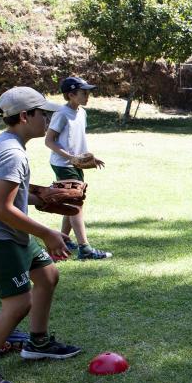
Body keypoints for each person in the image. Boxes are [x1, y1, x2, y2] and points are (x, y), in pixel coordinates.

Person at [0, 87, 81, 383]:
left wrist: (41, 196)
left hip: (8, 232)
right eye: (43, 114)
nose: (48, 119)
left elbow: (6, 195)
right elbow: (0, 208)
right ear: (25, 116)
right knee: (18, 303)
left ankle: (37, 343)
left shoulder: (8, 144)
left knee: (47, 275)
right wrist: (47, 233)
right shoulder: (12, 153)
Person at [45, 76, 111, 260]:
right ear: (71, 95)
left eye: (88, 93)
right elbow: (49, 141)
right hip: (63, 164)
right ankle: (85, 248)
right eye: (84, 93)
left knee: (73, 201)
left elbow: (76, 140)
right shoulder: (61, 114)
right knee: (76, 203)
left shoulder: (82, 113)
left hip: (75, 164)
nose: (88, 96)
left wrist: (89, 158)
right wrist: (71, 158)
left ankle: (64, 240)